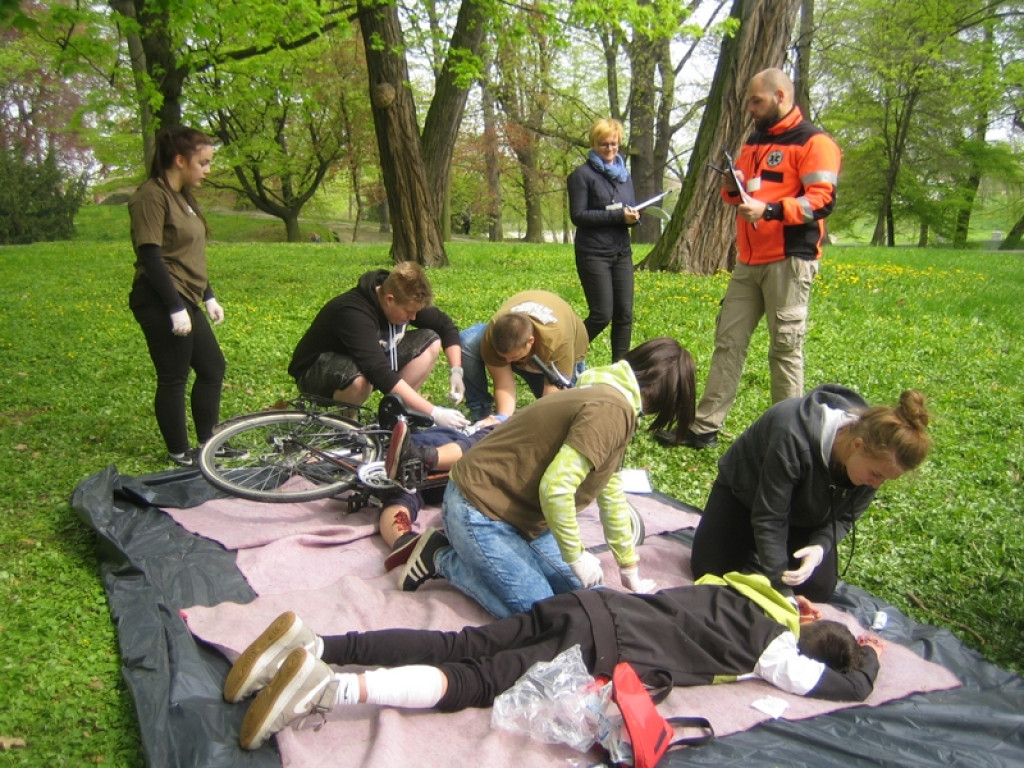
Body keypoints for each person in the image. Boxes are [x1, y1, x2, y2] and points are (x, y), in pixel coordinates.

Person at [225, 571, 882, 750]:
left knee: (461, 644)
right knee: (474, 682)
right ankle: (327, 691)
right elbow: (835, 686)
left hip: (584, 605)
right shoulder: (775, 649)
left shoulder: (736, 586)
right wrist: (869, 664)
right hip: (601, 647)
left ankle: (314, 646)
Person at [397, 337, 696, 618]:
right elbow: (556, 489)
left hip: (524, 516)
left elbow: (611, 490)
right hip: (478, 508)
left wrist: (628, 567)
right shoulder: (611, 410)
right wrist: (576, 556)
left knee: (587, 598)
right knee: (543, 616)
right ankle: (440, 558)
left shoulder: (614, 400)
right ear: (666, 397)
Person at [659, 68, 842, 450]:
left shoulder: (815, 142)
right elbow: (743, 193)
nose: (750, 109)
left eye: (756, 101)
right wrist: (731, 187)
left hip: (790, 259)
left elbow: (821, 201)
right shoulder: (753, 141)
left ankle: (788, 435)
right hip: (749, 260)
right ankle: (705, 425)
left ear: (780, 95)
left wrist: (772, 211)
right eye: (747, 102)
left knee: (785, 348)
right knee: (728, 341)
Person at [690, 384, 931, 602]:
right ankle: (755, 548)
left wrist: (819, 547)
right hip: (745, 498)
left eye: (886, 480)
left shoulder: (875, 454)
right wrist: (781, 593)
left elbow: (845, 518)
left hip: (802, 516)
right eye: (876, 475)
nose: (875, 485)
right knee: (710, 572)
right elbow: (770, 517)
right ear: (856, 446)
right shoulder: (792, 434)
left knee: (818, 589)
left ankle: (765, 554)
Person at [128, 126, 237, 467]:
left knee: (211, 366)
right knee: (174, 375)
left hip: (186, 297)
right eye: (203, 163)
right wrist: (175, 308)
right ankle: (179, 451)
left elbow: (188, 254)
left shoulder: (183, 198)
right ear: (179, 160)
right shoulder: (151, 195)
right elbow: (151, 254)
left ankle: (208, 443)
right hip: (160, 298)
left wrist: (208, 296)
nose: (208, 169)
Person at [287, 263, 469, 429]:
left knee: (431, 340)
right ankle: (348, 425)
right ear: (390, 299)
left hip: (364, 364)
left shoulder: (405, 297)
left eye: (416, 312)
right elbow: (377, 371)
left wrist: (456, 371)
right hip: (315, 372)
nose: (414, 318)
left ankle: (398, 414)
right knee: (359, 379)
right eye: (409, 312)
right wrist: (434, 412)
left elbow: (446, 327)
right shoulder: (353, 313)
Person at [567, 118, 640, 362]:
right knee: (602, 314)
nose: (610, 149)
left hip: (621, 251)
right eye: (604, 144)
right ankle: (564, 352)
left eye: (614, 144)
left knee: (624, 314)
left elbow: (627, 207)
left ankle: (620, 367)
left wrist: (632, 216)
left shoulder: (624, 176)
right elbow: (579, 216)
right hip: (594, 252)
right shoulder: (581, 175)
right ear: (593, 144)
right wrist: (618, 215)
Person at [459, 290, 589, 423]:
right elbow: (503, 384)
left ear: (530, 341)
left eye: (513, 357)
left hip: (565, 350)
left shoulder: (557, 340)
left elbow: (551, 398)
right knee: (468, 341)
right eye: (503, 357)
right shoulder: (494, 335)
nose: (507, 362)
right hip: (527, 348)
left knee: (564, 414)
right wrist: (501, 419)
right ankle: (480, 412)